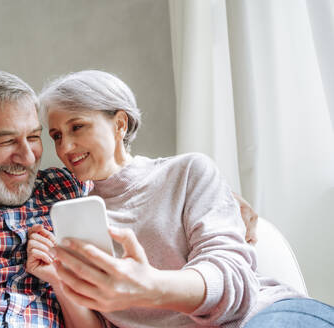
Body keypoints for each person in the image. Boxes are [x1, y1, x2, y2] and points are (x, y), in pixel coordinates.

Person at [0, 69, 257, 328]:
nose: (27, 157)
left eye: (36, 138)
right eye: (6, 141)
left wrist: (224, 199)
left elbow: (135, 178)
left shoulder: (67, 189)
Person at [26, 70, 334, 327]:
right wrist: (59, 279)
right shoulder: (74, 216)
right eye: (56, 135)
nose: (65, 147)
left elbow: (233, 284)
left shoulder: (187, 172)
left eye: (77, 127)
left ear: (119, 124)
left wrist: (149, 287)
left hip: (260, 316)